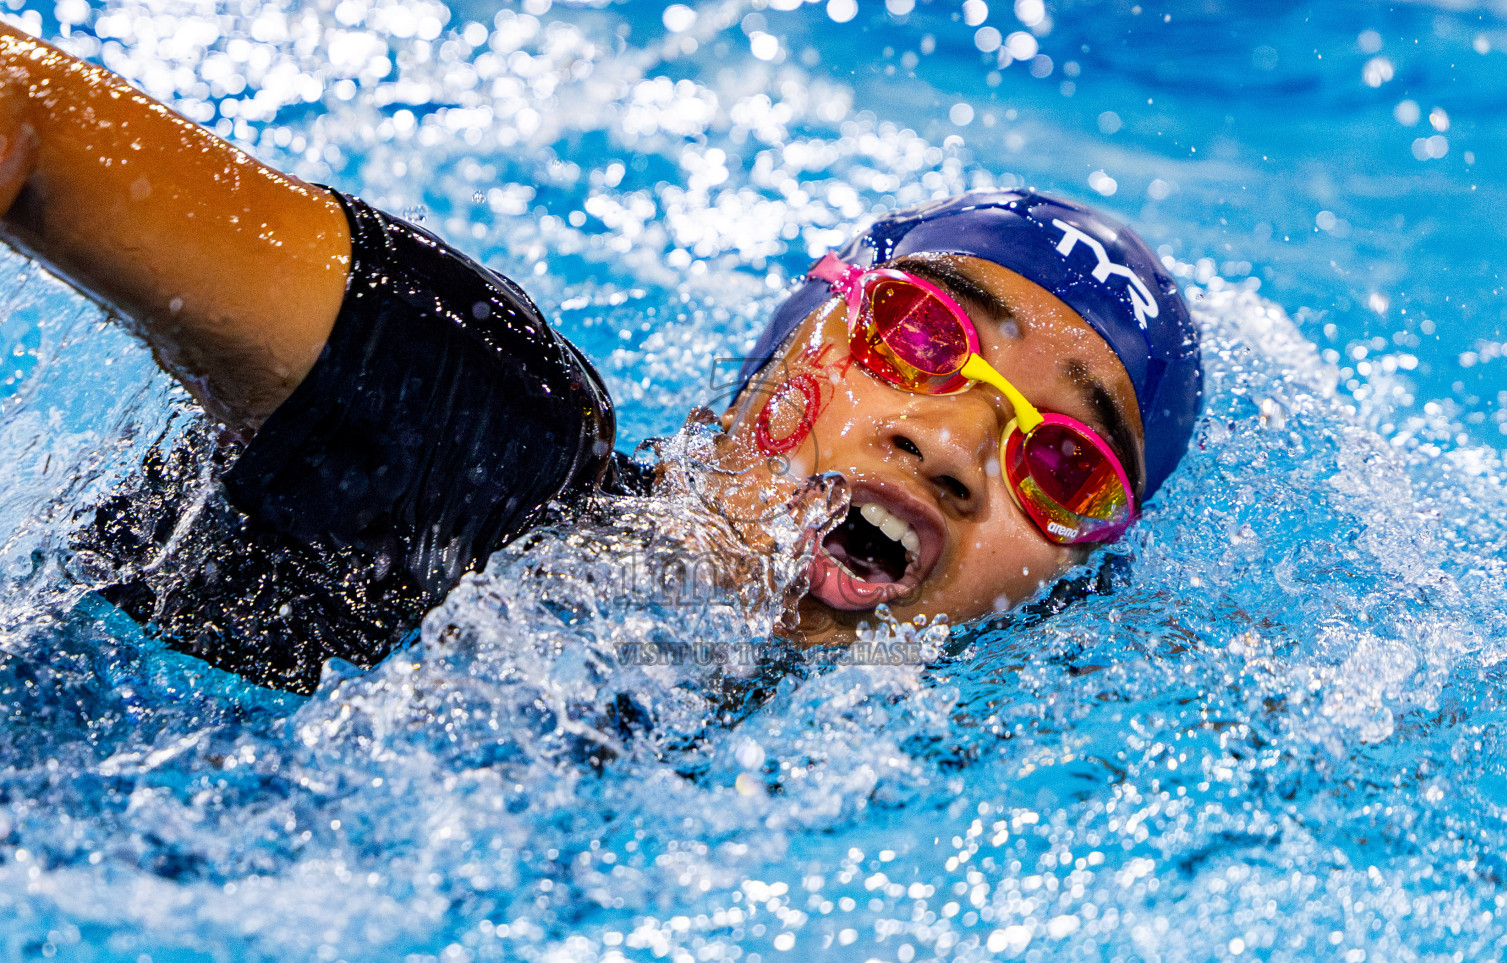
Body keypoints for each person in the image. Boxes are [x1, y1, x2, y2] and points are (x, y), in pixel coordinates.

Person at [0, 26, 1201, 692]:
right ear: (788, 346)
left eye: (1065, 463)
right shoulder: (475, 438)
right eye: (920, 337)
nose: (947, 446)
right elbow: (29, 117)